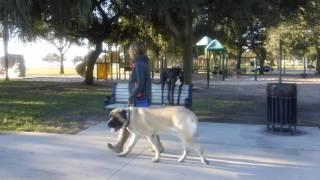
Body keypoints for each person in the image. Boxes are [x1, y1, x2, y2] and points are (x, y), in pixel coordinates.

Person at [108, 41, 163, 153]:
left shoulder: (139, 65)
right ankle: (158, 147)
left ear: (133, 52)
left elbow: (140, 84)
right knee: (145, 123)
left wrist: (131, 96)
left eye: (130, 51)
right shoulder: (143, 64)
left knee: (127, 121)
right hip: (142, 98)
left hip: (139, 99)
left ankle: (119, 146)